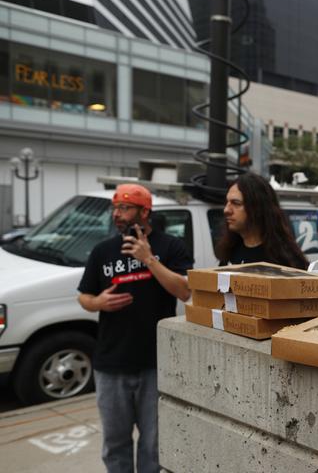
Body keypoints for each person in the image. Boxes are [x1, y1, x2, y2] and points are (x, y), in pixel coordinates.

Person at [77, 183, 193, 473]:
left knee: (154, 445)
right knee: (115, 444)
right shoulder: (102, 251)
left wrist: (148, 259)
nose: (118, 214)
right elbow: (84, 297)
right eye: (115, 208)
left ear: (145, 211)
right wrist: (98, 303)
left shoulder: (171, 247)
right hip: (110, 364)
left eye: (125, 208)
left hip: (155, 364)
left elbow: (185, 291)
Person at [216, 172, 309, 269]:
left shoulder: (284, 260)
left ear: (257, 207)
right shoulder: (230, 251)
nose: (226, 210)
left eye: (236, 203)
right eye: (227, 202)